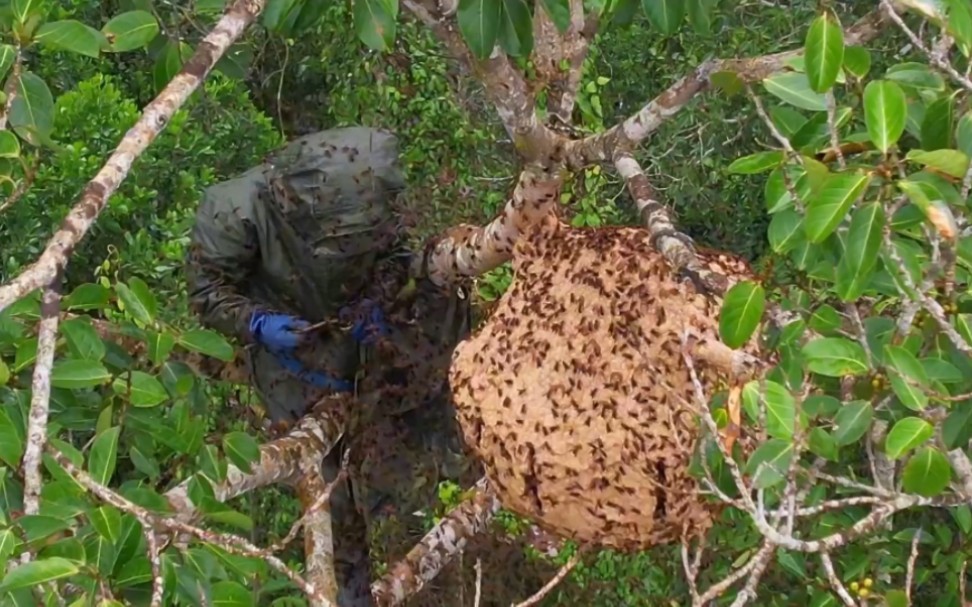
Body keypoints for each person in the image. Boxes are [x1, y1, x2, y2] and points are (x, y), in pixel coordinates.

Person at [185, 127, 475, 605]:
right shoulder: (233, 212)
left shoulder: (369, 186)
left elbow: (395, 256)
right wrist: (256, 322)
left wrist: (377, 300)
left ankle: (435, 462)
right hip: (288, 348)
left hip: (359, 326)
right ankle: (348, 579)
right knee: (327, 480)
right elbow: (205, 292)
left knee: (428, 364)